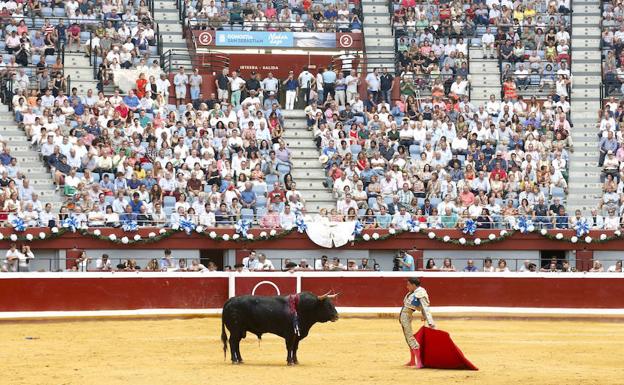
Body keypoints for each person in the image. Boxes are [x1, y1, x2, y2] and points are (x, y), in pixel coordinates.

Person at [400, 277, 435, 368]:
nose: (407, 287)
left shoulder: (420, 293)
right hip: (405, 317)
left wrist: (430, 323)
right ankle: (412, 361)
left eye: (408, 285)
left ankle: (419, 362)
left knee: (410, 338)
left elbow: (425, 308)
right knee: (408, 338)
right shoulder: (414, 292)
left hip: (406, 317)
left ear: (413, 285)